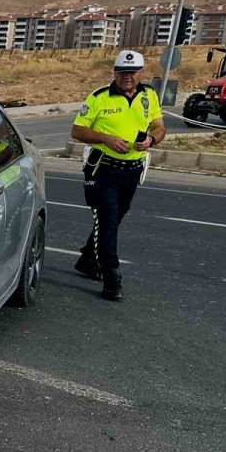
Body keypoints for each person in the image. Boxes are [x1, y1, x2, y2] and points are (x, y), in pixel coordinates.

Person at [70, 49, 166, 301]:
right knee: (108, 218)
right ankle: (112, 276)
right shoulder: (99, 97)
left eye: (132, 72)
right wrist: (106, 138)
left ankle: (88, 258)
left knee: (114, 219)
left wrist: (152, 140)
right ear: (114, 72)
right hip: (103, 169)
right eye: (122, 71)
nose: (127, 77)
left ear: (141, 73)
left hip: (132, 169)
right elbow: (77, 131)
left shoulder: (149, 95)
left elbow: (159, 125)